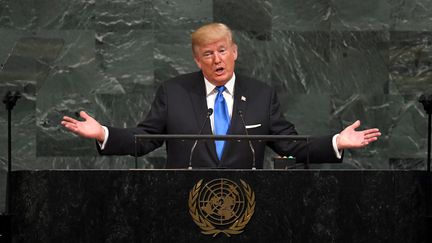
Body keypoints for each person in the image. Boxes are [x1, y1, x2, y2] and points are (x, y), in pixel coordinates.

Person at [61, 23, 381, 169]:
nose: (217, 59)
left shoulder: (260, 95)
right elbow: (145, 139)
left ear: (234, 52)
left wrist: (337, 142)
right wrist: (103, 133)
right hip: (184, 207)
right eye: (208, 54)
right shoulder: (175, 92)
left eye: (222, 50)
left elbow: (291, 145)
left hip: (246, 208)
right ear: (197, 60)